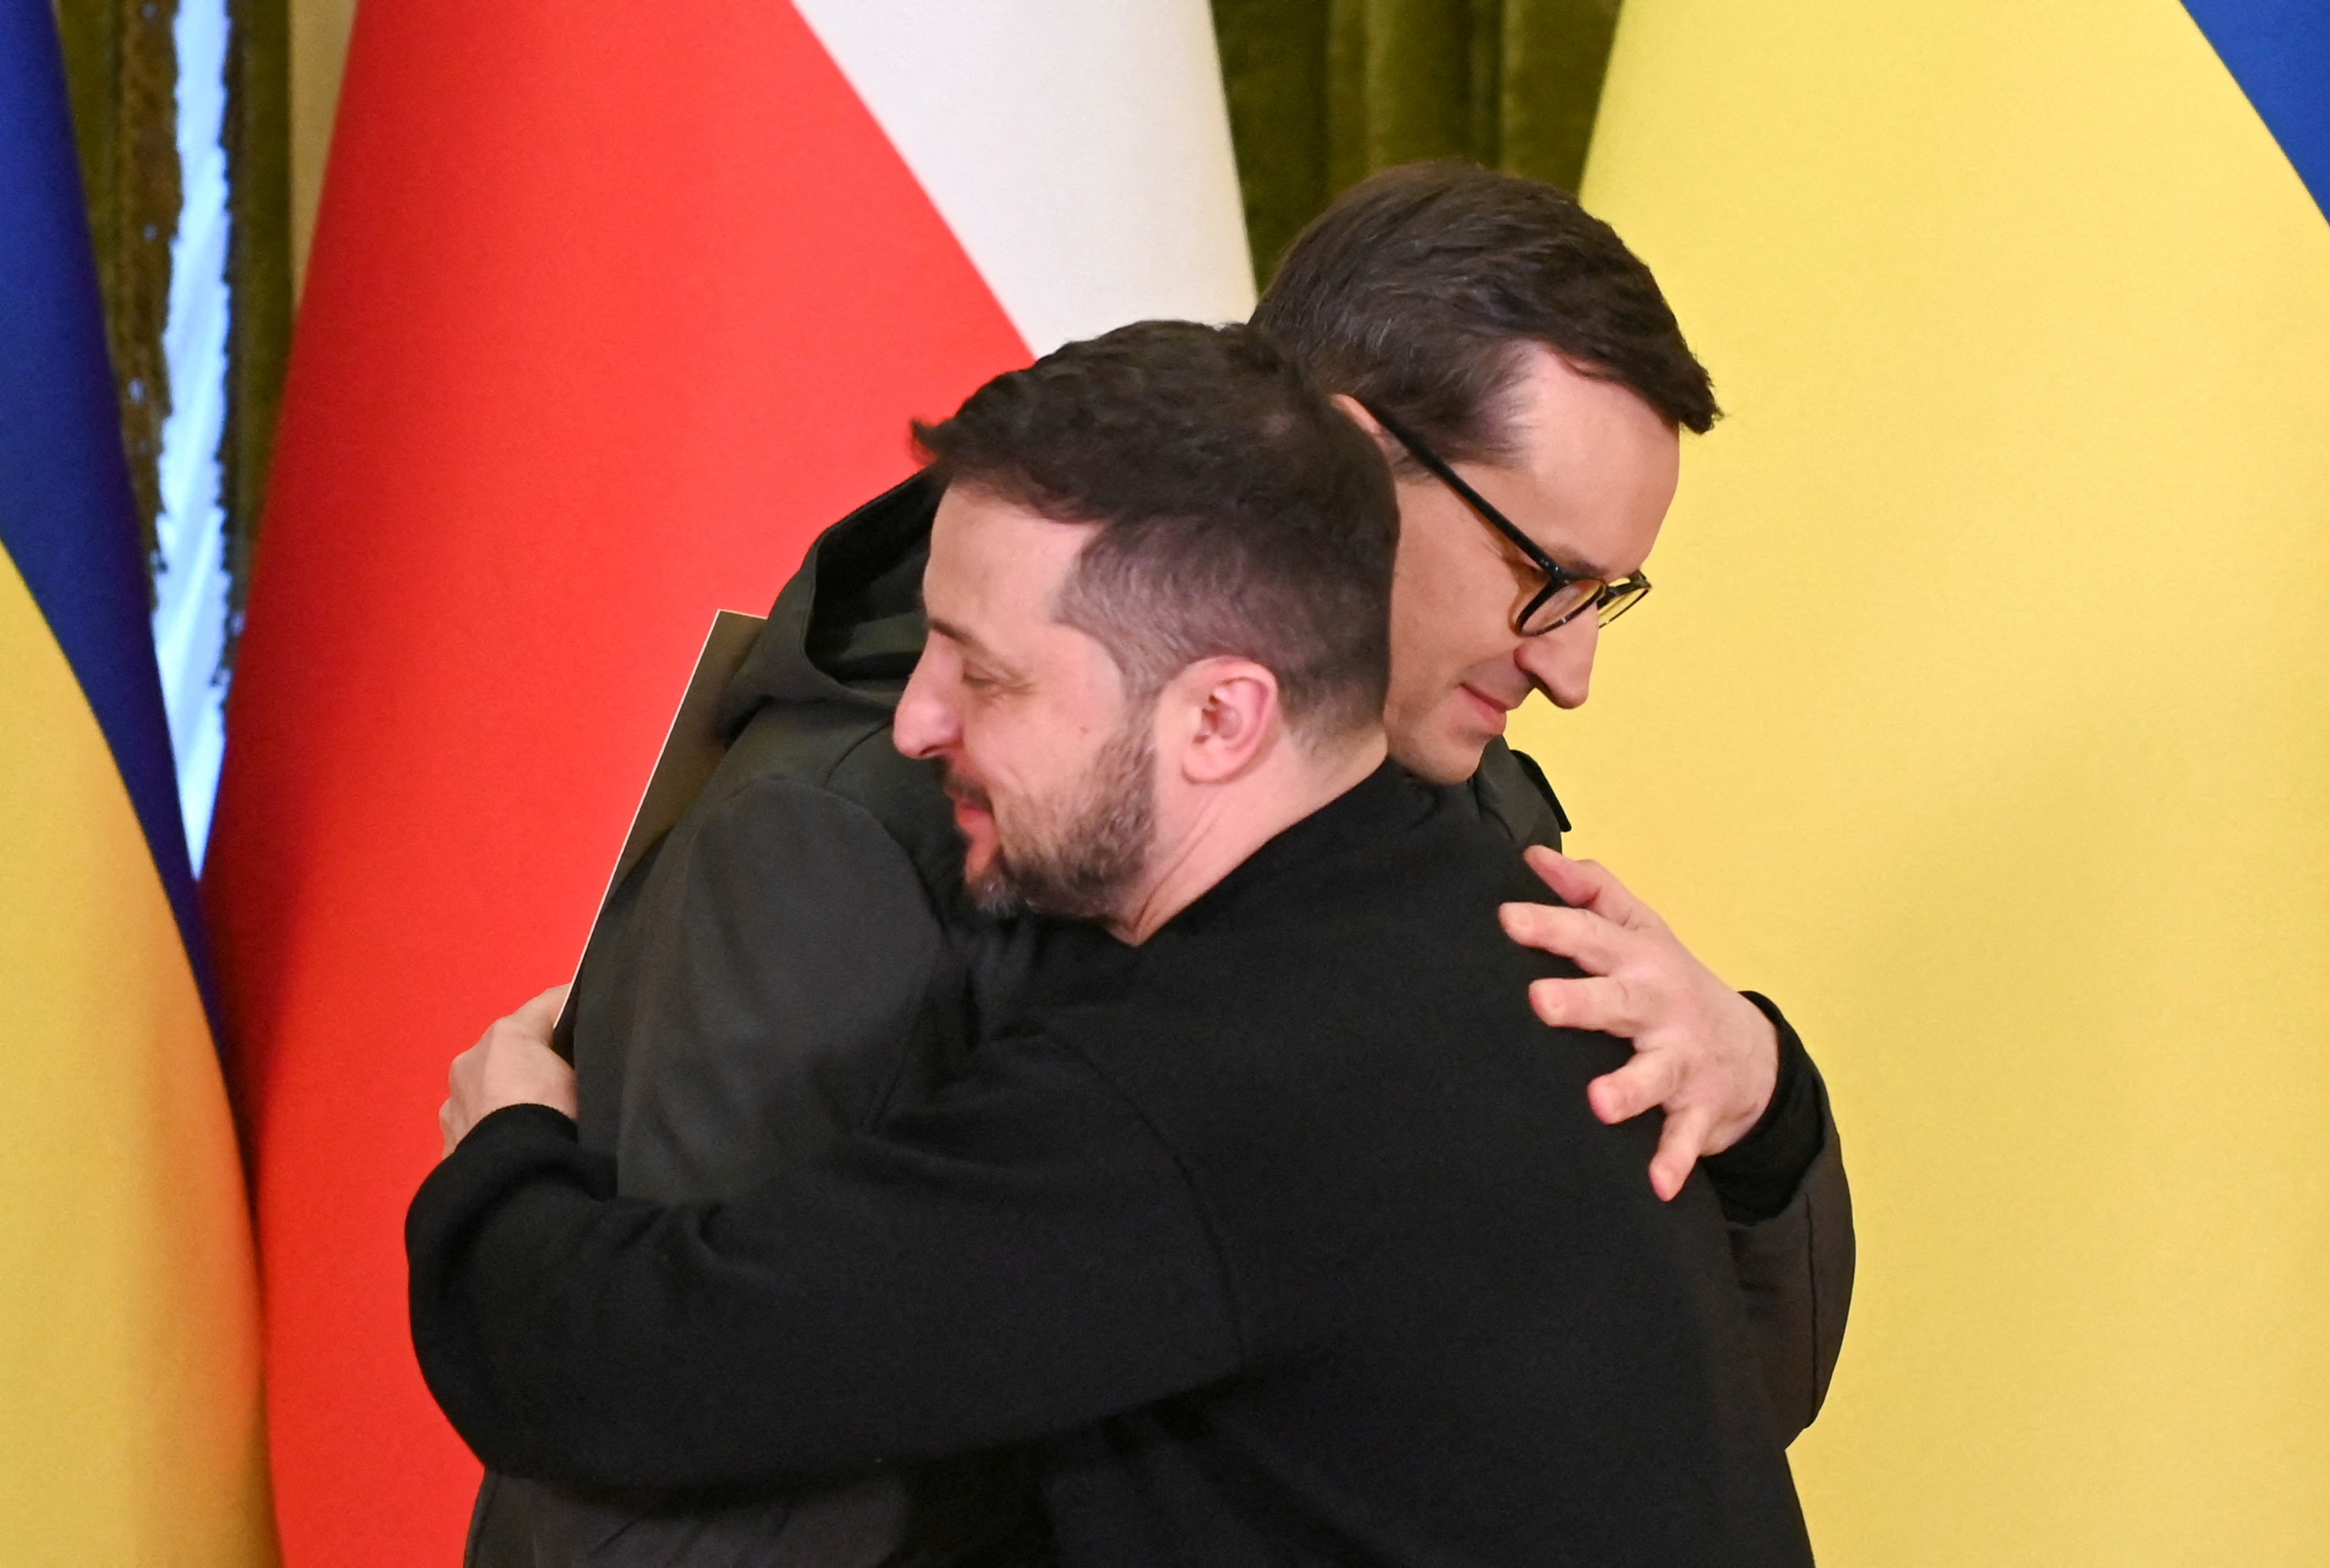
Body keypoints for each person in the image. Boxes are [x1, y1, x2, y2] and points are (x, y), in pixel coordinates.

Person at [471, 162, 1851, 1563]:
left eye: (1604, 593)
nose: (1571, 669)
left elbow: (1699, 1406)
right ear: (1349, 458)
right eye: (1542, 574)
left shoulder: (1446, 829)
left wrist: (1757, 1101)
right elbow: (668, 1466)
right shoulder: (851, 831)